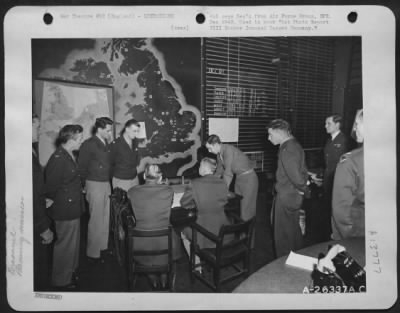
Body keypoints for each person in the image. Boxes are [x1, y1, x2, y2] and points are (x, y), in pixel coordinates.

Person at [126, 164, 182, 289]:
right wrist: (163, 184)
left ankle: (152, 278)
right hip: (165, 243)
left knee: (148, 259)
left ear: (144, 176)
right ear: (160, 177)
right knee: (174, 234)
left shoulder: (132, 192)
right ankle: (163, 277)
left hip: (140, 244)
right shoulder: (168, 190)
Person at [45, 124, 85, 290]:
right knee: (65, 245)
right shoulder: (58, 158)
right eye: (80, 138)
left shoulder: (68, 154)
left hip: (72, 206)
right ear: (70, 139)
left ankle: (70, 271)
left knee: (72, 244)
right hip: (65, 209)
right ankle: (61, 280)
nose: (82, 141)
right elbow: (50, 188)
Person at [180, 157, 233, 268]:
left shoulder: (194, 183)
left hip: (203, 232)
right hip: (224, 230)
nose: (199, 168)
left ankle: (197, 266)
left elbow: (184, 203)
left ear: (204, 168)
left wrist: (197, 204)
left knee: (183, 232)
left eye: (200, 166)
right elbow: (224, 200)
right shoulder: (223, 182)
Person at [267, 119, 309, 258]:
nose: (269, 138)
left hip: (286, 197)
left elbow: (296, 176)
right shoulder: (294, 144)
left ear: (279, 133)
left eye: (270, 134)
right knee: (293, 231)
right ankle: (296, 259)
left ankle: (283, 268)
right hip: (292, 195)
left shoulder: (287, 149)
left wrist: (304, 190)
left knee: (282, 236)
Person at [78, 117, 113, 263]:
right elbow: (81, 166)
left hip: (105, 183)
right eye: (108, 130)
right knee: (96, 220)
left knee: (105, 218)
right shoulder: (89, 144)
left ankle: (102, 248)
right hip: (94, 184)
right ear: (99, 129)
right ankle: (93, 253)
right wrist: (83, 185)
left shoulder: (106, 142)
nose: (110, 132)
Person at [205, 135, 259, 223]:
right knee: (238, 210)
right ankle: (241, 234)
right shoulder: (219, 155)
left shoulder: (228, 150)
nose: (209, 151)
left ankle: (249, 235)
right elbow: (219, 172)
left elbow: (228, 173)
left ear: (215, 144)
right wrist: (210, 184)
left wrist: (223, 190)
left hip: (249, 179)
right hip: (239, 178)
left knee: (247, 212)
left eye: (210, 148)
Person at [331, 109, 364, 240]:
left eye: (357, 124)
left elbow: (342, 210)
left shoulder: (350, 160)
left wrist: (345, 238)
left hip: (358, 233)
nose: (354, 129)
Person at [319, 114, 350, 240]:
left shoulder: (344, 141)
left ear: (337, 125)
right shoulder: (329, 140)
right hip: (328, 179)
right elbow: (328, 162)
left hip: (337, 181)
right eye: (326, 123)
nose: (325, 126)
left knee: (335, 210)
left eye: (328, 123)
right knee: (328, 208)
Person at [32, 114, 54, 290]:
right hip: (34, 223)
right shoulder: (25, 155)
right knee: (38, 269)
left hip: (37, 210)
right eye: (36, 127)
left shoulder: (29, 151)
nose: (39, 132)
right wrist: (43, 227)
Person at [110, 118, 141, 191]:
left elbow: (136, 159)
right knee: (122, 202)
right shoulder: (116, 144)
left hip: (134, 178)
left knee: (135, 201)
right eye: (134, 131)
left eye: (138, 131)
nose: (136, 134)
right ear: (127, 129)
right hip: (121, 180)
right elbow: (109, 163)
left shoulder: (135, 142)